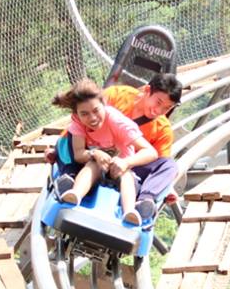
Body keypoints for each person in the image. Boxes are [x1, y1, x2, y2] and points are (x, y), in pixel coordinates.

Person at [51, 79, 158, 225]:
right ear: (77, 115)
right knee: (92, 165)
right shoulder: (77, 123)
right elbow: (79, 154)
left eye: (96, 111)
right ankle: (75, 193)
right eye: (85, 114)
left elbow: (151, 152)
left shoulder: (116, 121)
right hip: (98, 166)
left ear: (104, 104)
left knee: (126, 176)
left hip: (120, 167)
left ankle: (129, 212)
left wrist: (125, 162)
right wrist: (94, 153)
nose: (93, 118)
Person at [101, 73, 182, 222]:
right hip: (101, 157)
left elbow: (159, 164)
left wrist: (166, 187)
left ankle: (145, 201)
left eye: (166, 108)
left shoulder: (163, 128)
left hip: (130, 173)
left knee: (170, 165)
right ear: (146, 90)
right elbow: (84, 119)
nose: (158, 111)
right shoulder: (116, 96)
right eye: (158, 102)